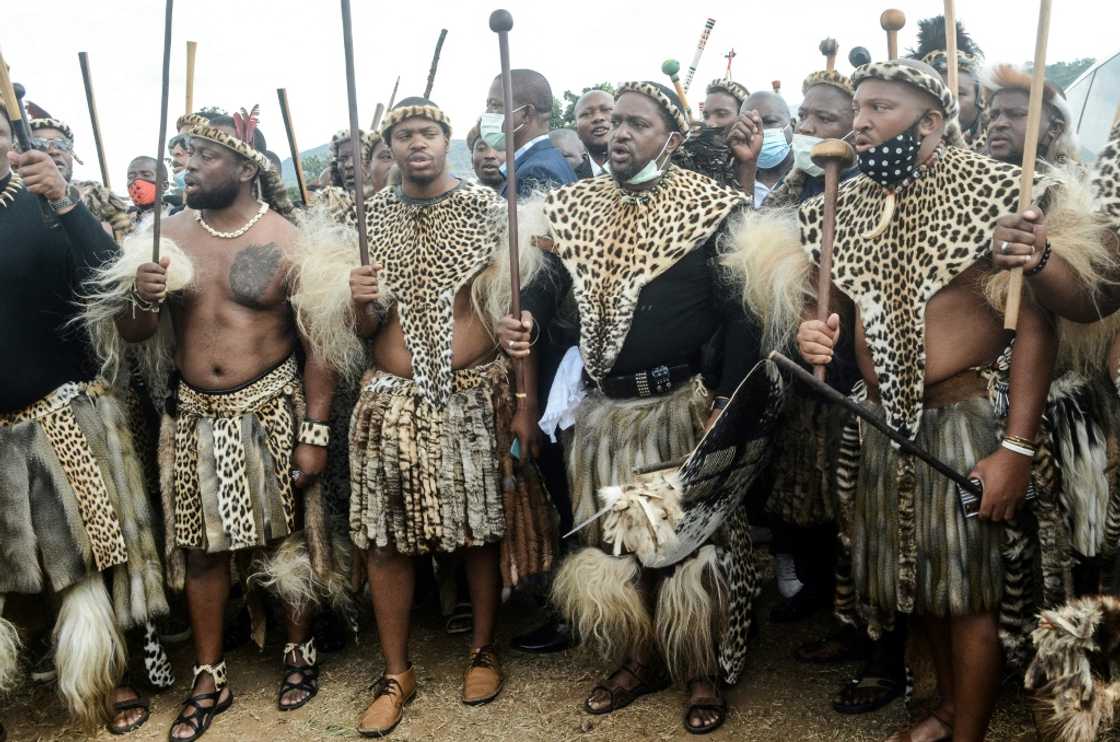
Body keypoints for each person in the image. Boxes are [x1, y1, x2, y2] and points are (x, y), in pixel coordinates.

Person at [734, 58, 1097, 741]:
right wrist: (817, 332)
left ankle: (969, 731)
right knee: (921, 586)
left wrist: (1015, 446)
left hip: (968, 422)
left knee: (969, 595)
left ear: (931, 120)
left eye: (881, 109)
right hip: (883, 424)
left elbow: (1051, 321)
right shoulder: (844, 203)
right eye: (859, 108)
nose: (862, 122)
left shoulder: (1000, 191)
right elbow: (830, 311)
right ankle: (949, 707)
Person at [498, 81, 763, 735]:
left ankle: (698, 668)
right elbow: (550, 279)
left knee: (683, 546)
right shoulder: (577, 207)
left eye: (637, 124)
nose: (618, 133)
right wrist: (525, 317)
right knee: (618, 544)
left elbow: (741, 314)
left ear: (671, 139)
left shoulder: (711, 209)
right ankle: (637, 658)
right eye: (614, 122)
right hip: (605, 415)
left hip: (677, 408)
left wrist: (726, 399)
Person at [292, 97, 551, 738]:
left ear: (445, 141)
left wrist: (525, 404)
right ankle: (395, 671)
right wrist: (358, 305)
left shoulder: (491, 213)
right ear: (392, 146)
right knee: (384, 537)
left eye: (428, 132)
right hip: (391, 398)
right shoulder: (366, 219)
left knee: (479, 529)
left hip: (475, 392)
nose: (416, 142)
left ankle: (483, 648)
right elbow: (361, 331)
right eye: (404, 133)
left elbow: (517, 321)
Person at [90, 108, 336, 741]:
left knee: (288, 545)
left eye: (203, 156)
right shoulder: (164, 237)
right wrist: (140, 296)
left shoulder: (290, 239)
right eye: (183, 155)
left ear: (245, 168)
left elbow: (320, 347)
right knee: (201, 552)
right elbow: (136, 333)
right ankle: (209, 673)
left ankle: (298, 650)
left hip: (274, 408)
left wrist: (315, 430)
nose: (187, 167)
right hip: (196, 414)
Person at [0, 99, 168, 736]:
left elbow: (113, 281)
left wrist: (67, 201)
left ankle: (105, 676)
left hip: (58, 412)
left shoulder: (47, 204)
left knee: (88, 554)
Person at [28, 116, 132, 238]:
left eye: (61, 144)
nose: (53, 151)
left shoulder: (94, 195)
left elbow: (131, 241)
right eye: (40, 143)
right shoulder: (8, 196)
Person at [483, 68, 576, 196]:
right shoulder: (541, 160)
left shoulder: (538, 172)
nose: (487, 113)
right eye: (487, 106)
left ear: (526, 113)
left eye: (495, 105)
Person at [911, 15, 987, 148]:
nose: (949, 103)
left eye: (960, 93)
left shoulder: (1002, 150)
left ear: (981, 98)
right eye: (939, 95)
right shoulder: (911, 155)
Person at [983, 64, 1079, 168]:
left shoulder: (1080, 181)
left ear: (1055, 128)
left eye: (1017, 114)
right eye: (993, 116)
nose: (998, 124)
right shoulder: (971, 175)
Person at [740, 91, 793, 206]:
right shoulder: (734, 183)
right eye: (751, 125)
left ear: (792, 124)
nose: (760, 132)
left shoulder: (814, 180)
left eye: (770, 122)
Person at [125, 155, 176, 227]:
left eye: (146, 175)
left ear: (164, 185)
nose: (137, 180)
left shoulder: (176, 217)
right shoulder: (126, 224)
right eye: (131, 177)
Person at [573, 89, 613, 176]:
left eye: (606, 110)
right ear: (577, 131)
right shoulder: (569, 179)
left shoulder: (646, 171)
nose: (598, 117)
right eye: (586, 114)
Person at [467, 120, 505, 190]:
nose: (490, 156)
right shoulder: (462, 197)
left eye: (499, 147)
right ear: (472, 159)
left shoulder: (529, 193)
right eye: (481, 148)